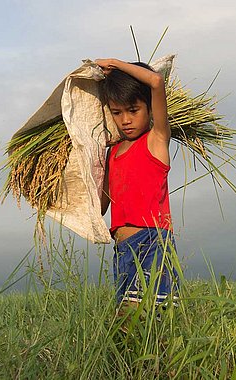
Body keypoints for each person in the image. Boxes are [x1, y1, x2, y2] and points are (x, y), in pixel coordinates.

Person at [96, 58, 179, 311]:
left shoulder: (157, 139)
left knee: (148, 319)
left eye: (134, 110)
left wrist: (115, 65)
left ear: (149, 109)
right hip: (122, 249)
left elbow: (155, 81)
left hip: (152, 241)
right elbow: (101, 207)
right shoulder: (114, 152)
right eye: (117, 112)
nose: (126, 120)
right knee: (128, 326)